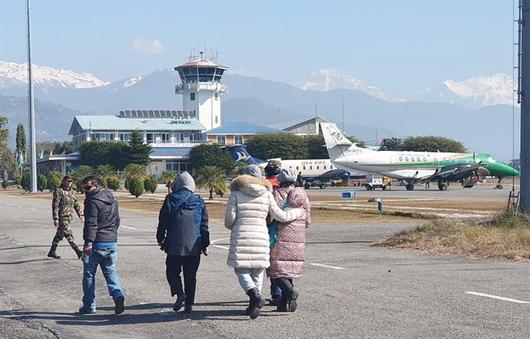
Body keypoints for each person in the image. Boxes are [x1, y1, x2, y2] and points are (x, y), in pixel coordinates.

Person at [224, 164, 304, 319]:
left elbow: (229, 220)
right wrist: (299, 212)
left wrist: (234, 224)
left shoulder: (236, 193)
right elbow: (280, 215)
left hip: (242, 235)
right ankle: (254, 303)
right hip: (261, 235)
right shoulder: (267, 193)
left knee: (241, 270)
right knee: (258, 270)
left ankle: (254, 296)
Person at [157, 172, 209, 314]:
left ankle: (179, 293)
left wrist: (160, 238)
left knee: (172, 271)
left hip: (174, 244)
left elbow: (163, 221)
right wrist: (205, 244)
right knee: (191, 276)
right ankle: (189, 305)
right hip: (194, 245)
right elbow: (204, 225)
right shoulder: (199, 200)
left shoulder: (170, 199)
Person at [79, 176, 125, 315]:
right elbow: (117, 220)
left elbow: (91, 223)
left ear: (96, 186)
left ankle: (89, 305)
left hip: (96, 243)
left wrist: (88, 242)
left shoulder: (93, 201)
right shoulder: (112, 198)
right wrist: (111, 235)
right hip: (111, 242)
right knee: (110, 271)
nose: (85, 191)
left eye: (88, 187)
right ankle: (118, 295)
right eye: (84, 188)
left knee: (88, 275)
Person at [267, 169, 311, 312]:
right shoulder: (303, 194)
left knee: (276, 269)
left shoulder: (276, 194)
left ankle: (290, 292)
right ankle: (284, 304)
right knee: (288, 269)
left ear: (279, 179)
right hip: (298, 236)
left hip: (279, 234)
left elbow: (271, 214)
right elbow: (308, 219)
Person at [48, 175, 84, 260]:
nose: (69, 183)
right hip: (62, 217)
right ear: (63, 181)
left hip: (69, 217)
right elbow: (55, 205)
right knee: (68, 233)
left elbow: (76, 204)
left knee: (59, 235)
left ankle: (52, 251)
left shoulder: (72, 192)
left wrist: (81, 214)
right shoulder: (59, 191)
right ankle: (78, 251)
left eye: (71, 181)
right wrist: (55, 218)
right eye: (68, 181)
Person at [264, 160, 282, 306]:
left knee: (271, 260)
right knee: (283, 259)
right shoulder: (284, 184)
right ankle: (284, 290)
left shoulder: (264, 185)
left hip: (269, 225)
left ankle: (276, 292)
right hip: (284, 223)